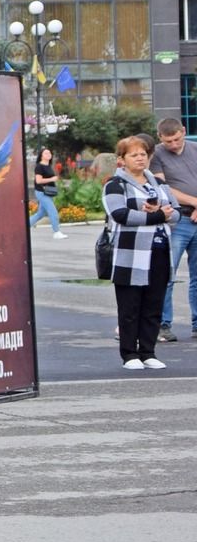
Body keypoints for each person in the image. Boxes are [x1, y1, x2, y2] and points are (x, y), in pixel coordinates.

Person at [105, 134, 173, 371]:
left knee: (153, 305)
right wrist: (155, 215)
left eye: (143, 154)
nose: (140, 158)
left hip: (159, 250)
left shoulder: (157, 182)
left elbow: (175, 212)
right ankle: (129, 354)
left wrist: (162, 212)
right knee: (130, 307)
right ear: (122, 159)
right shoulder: (115, 184)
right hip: (130, 254)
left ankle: (148, 351)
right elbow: (120, 214)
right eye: (134, 155)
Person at [150, 120, 197, 343]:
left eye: (177, 139)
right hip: (177, 220)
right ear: (160, 137)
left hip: (195, 215)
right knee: (167, 274)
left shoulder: (195, 149)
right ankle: (163, 325)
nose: (173, 144)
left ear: (184, 132)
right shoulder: (156, 155)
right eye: (168, 141)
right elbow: (162, 188)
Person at [27, 147, 65, 240]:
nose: (48, 154)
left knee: (40, 214)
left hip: (48, 193)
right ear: (41, 156)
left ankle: (23, 227)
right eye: (46, 153)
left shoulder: (48, 165)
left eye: (49, 153)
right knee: (53, 211)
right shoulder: (39, 167)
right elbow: (38, 181)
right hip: (41, 192)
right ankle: (56, 232)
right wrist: (52, 179)